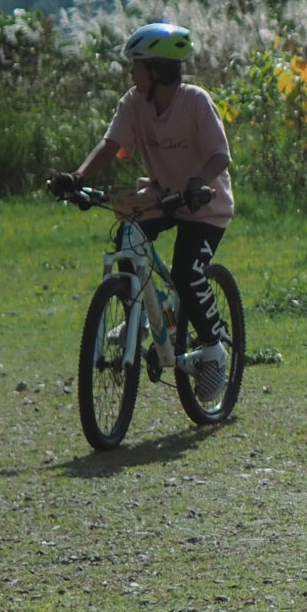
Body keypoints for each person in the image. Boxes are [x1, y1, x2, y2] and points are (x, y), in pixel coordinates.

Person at [51, 23, 235, 402]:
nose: (131, 73)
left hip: (204, 205)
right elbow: (111, 143)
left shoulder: (196, 102)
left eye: (136, 65)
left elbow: (220, 155)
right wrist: (78, 176)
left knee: (187, 272)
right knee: (127, 236)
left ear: (157, 70)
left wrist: (198, 182)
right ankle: (134, 312)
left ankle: (214, 350)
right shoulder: (134, 103)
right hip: (162, 197)